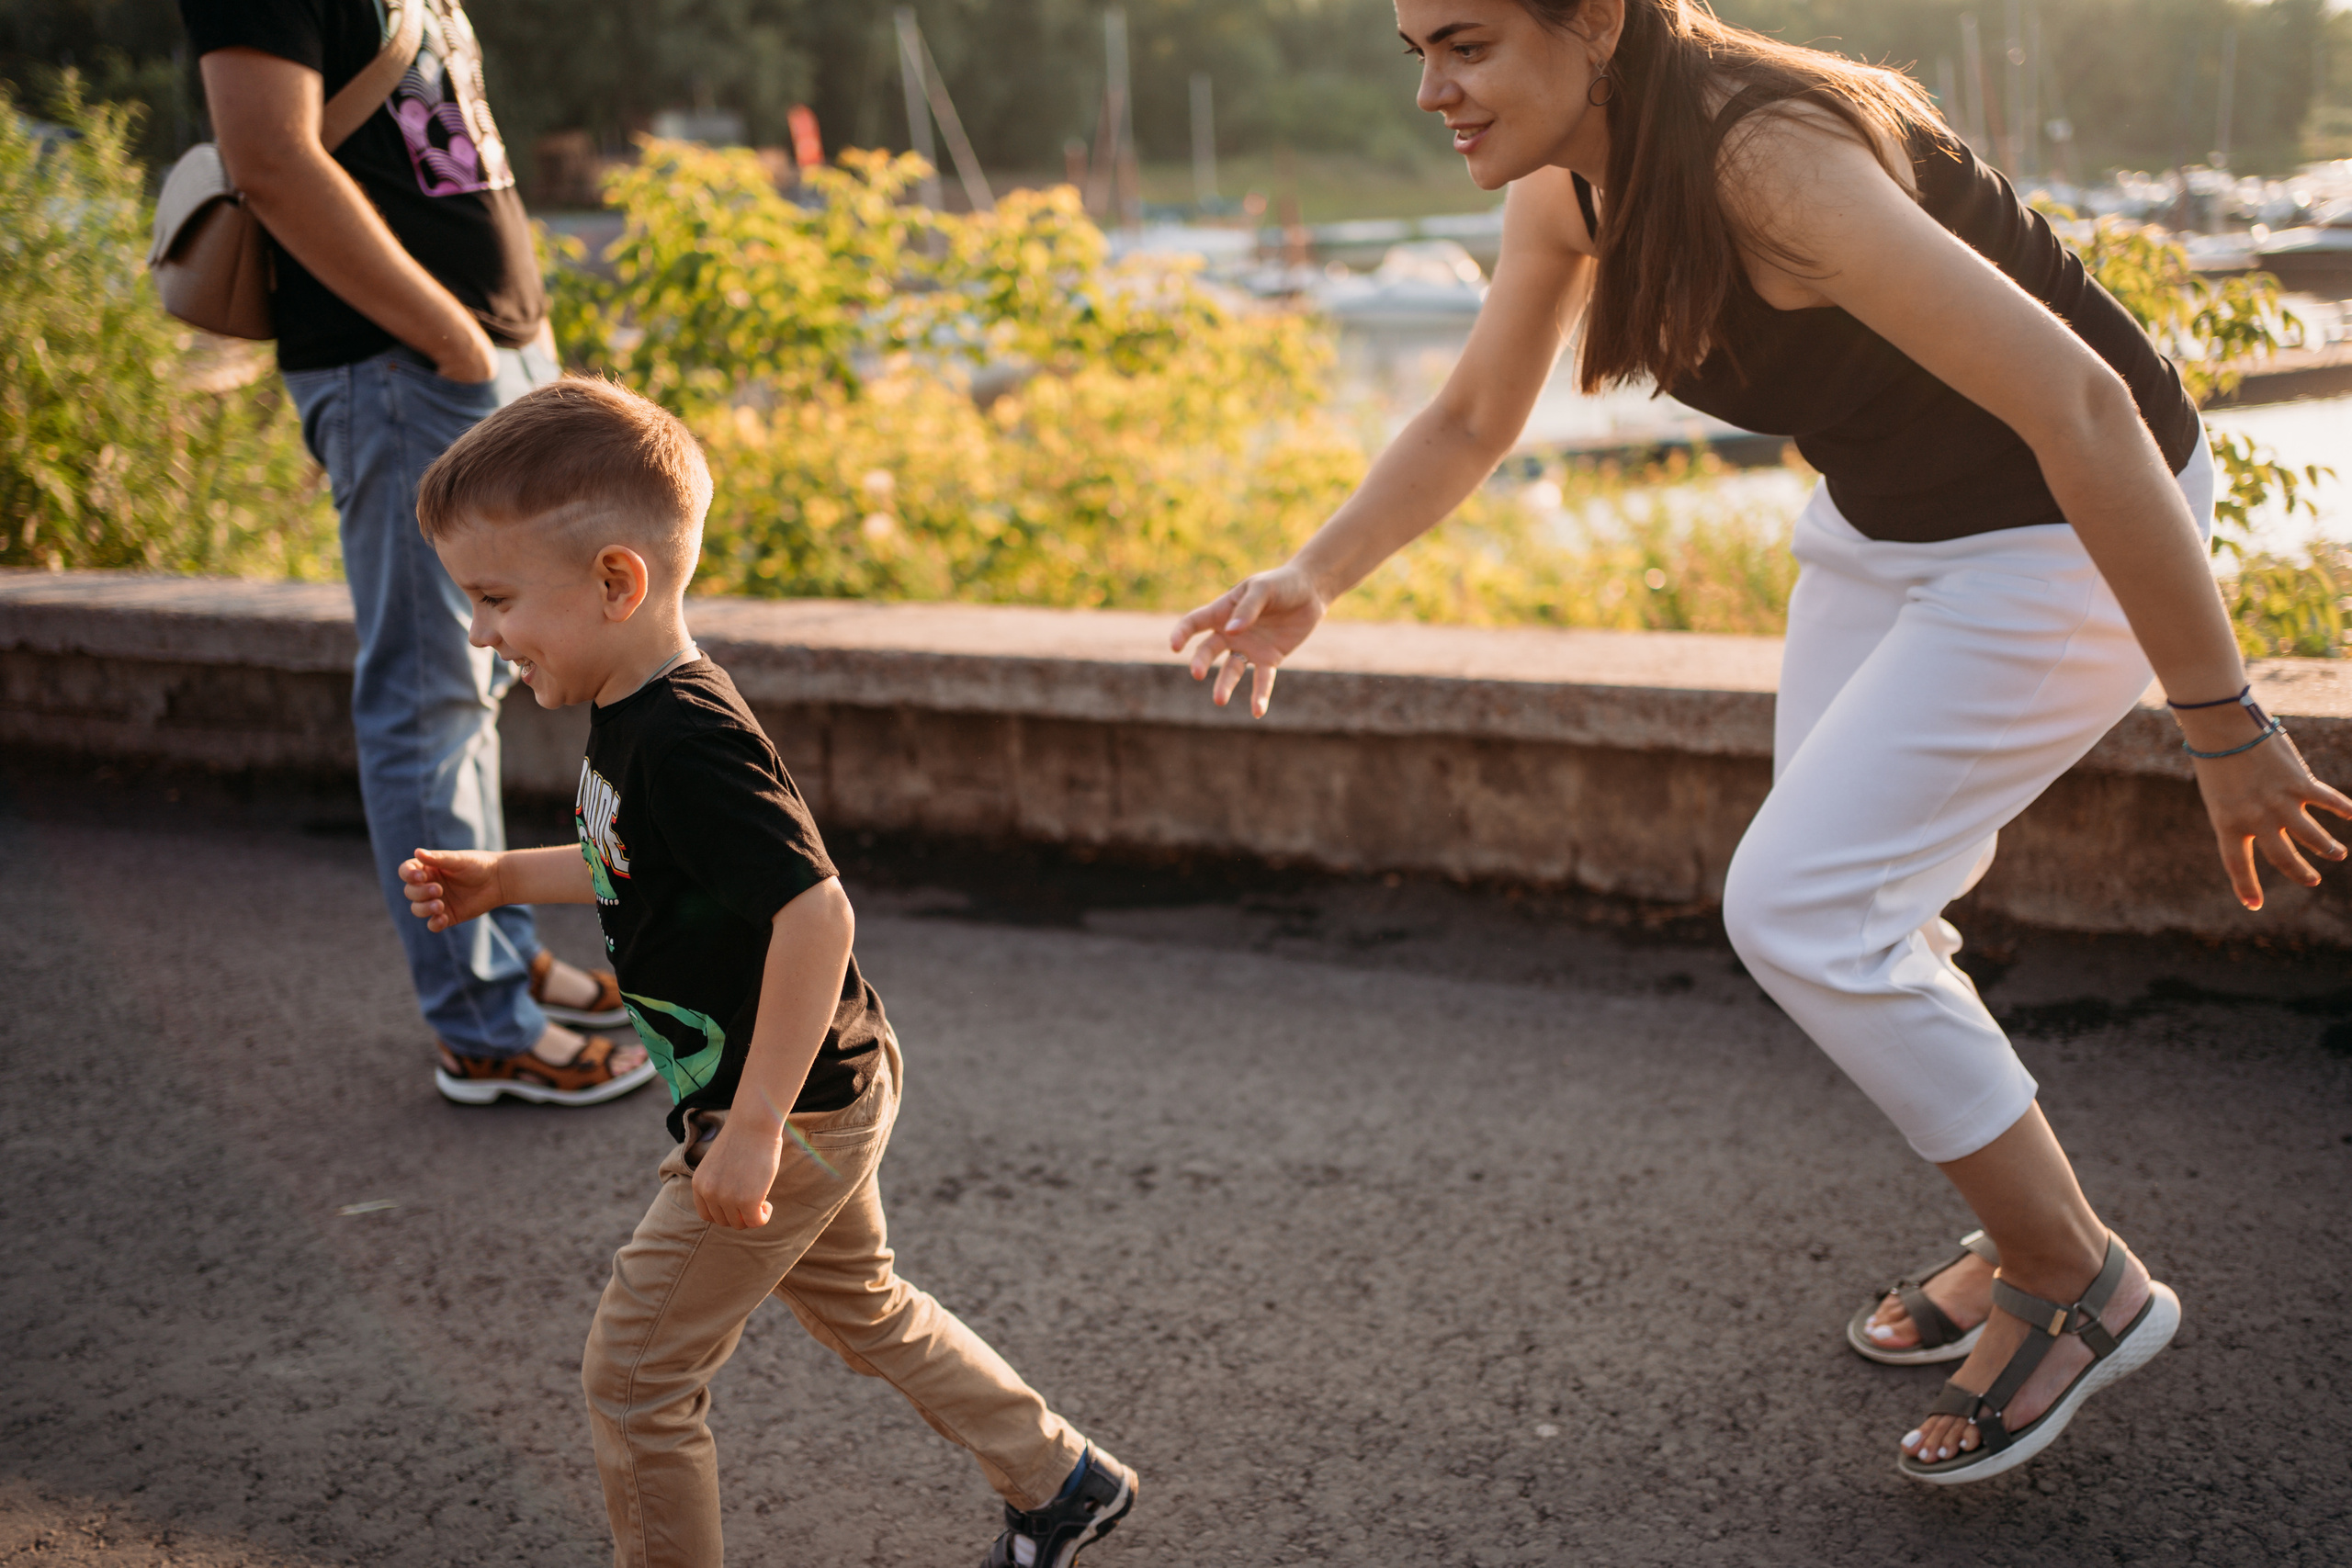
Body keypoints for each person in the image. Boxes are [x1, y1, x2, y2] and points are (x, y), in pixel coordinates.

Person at [1170, 0, 2352, 1484]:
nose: (1432, 89)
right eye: (1416, 49)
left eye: (1463, 42)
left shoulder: (1769, 158)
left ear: (1592, 21)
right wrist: (1314, 576)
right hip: (1887, 518)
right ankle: (2026, 1217)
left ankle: (2079, 1277)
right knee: (1861, 902)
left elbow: (2086, 406)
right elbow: (1478, 413)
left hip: (2064, 527)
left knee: (1804, 905)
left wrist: (2223, 721)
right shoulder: (1573, 176)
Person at [394, 378, 1138, 1567]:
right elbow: (636, 863)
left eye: (493, 599)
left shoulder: (688, 737)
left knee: (636, 1375)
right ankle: (1060, 1478)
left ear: (617, 581)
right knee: (866, 1302)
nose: (482, 632)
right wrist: (501, 878)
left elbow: (815, 911)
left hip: (788, 1109)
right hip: (820, 1088)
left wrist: (750, 1129)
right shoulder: (629, 706)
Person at [180, 0, 651, 1105]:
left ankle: (496, 956)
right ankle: (482, 1024)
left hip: (475, 364)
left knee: (477, 682)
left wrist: (519, 344)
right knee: (430, 696)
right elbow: (269, 154)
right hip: (407, 373)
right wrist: (451, 338)